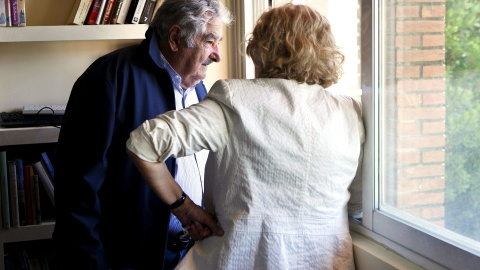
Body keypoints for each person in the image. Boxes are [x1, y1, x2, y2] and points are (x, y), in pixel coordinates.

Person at [126, 3, 365, 270]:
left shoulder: (235, 100)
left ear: (261, 49)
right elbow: (357, 206)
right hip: (325, 261)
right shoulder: (350, 111)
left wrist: (184, 207)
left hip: (236, 259)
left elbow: (143, 143)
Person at [52, 0, 232, 269]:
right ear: (174, 38)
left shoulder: (200, 89)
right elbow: (77, 190)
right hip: (125, 260)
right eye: (209, 41)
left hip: (189, 255)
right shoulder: (109, 77)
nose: (217, 54)